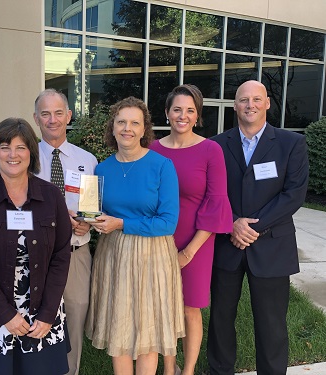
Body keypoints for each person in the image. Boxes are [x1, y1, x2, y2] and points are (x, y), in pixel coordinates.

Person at [0, 117, 72, 375]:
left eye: (21, 147)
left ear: (31, 152)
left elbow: (61, 255)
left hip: (41, 309)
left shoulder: (51, 196)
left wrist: (49, 312)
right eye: (5, 147)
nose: (13, 154)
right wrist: (5, 314)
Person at [207, 80, 309, 375]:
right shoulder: (216, 145)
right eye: (242, 100)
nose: (249, 105)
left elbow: (293, 195)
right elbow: (213, 193)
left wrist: (251, 227)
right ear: (235, 106)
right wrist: (232, 224)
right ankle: (219, 371)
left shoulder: (291, 143)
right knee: (221, 318)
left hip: (272, 246)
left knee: (271, 322)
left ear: (267, 103)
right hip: (227, 244)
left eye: (255, 99)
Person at [85, 96, 185, 375]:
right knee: (120, 327)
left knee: (147, 332)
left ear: (144, 130)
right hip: (113, 255)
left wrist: (120, 223)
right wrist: (90, 222)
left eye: (134, 123)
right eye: (121, 122)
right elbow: (92, 214)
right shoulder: (101, 169)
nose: (127, 128)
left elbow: (168, 223)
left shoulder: (162, 166)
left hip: (153, 255)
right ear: (113, 127)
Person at [149, 84, 233, 375]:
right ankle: (169, 368)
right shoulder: (152, 149)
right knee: (163, 308)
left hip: (196, 241)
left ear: (197, 116)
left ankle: (188, 370)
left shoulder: (211, 150)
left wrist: (188, 252)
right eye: (177, 109)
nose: (182, 116)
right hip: (158, 240)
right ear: (167, 113)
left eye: (190, 110)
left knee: (189, 309)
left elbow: (216, 203)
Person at [33, 89, 98, 375]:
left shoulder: (88, 160)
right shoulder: (23, 157)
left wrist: (87, 222)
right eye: (45, 114)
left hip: (75, 253)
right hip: (35, 256)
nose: (52, 120)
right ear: (36, 119)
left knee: (74, 316)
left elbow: (90, 208)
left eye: (58, 113)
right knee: (34, 320)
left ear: (69, 116)